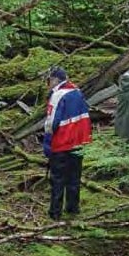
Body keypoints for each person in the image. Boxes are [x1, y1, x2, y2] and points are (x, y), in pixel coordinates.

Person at [42, 67, 92, 221]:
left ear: (55, 79)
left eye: (48, 80)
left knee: (57, 179)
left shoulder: (58, 95)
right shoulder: (77, 92)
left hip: (61, 143)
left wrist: (47, 145)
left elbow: (52, 123)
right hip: (78, 143)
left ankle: (55, 212)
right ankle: (73, 208)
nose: (47, 84)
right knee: (74, 177)